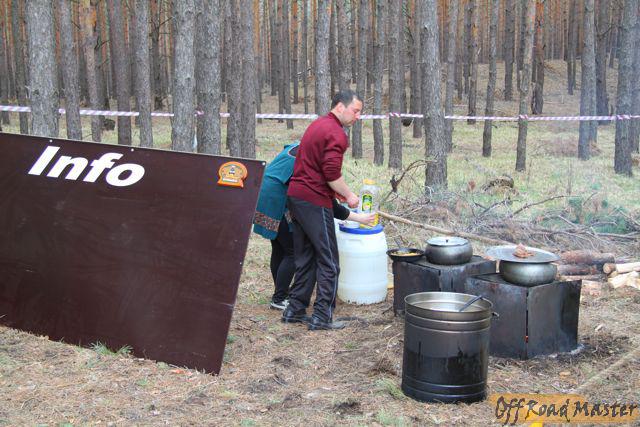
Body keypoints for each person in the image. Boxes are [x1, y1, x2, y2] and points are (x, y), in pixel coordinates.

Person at [253, 141, 374, 311]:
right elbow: (331, 205)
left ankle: (281, 293)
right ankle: (279, 298)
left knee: (280, 247)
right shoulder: (314, 162)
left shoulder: (301, 147)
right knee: (292, 252)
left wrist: (336, 191)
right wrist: (360, 218)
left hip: (262, 193)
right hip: (276, 200)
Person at [283, 89, 365, 331]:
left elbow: (316, 167)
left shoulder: (318, 125)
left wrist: (335, 193)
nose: (358, 116)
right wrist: (349, 195)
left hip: (296, 197)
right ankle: (321, 317)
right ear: (340, 107)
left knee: (305, 257)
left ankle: (295, 310)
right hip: (314, 200)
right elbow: (331, 174)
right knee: (329, 261)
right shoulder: (336, 133)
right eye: (355, 111)